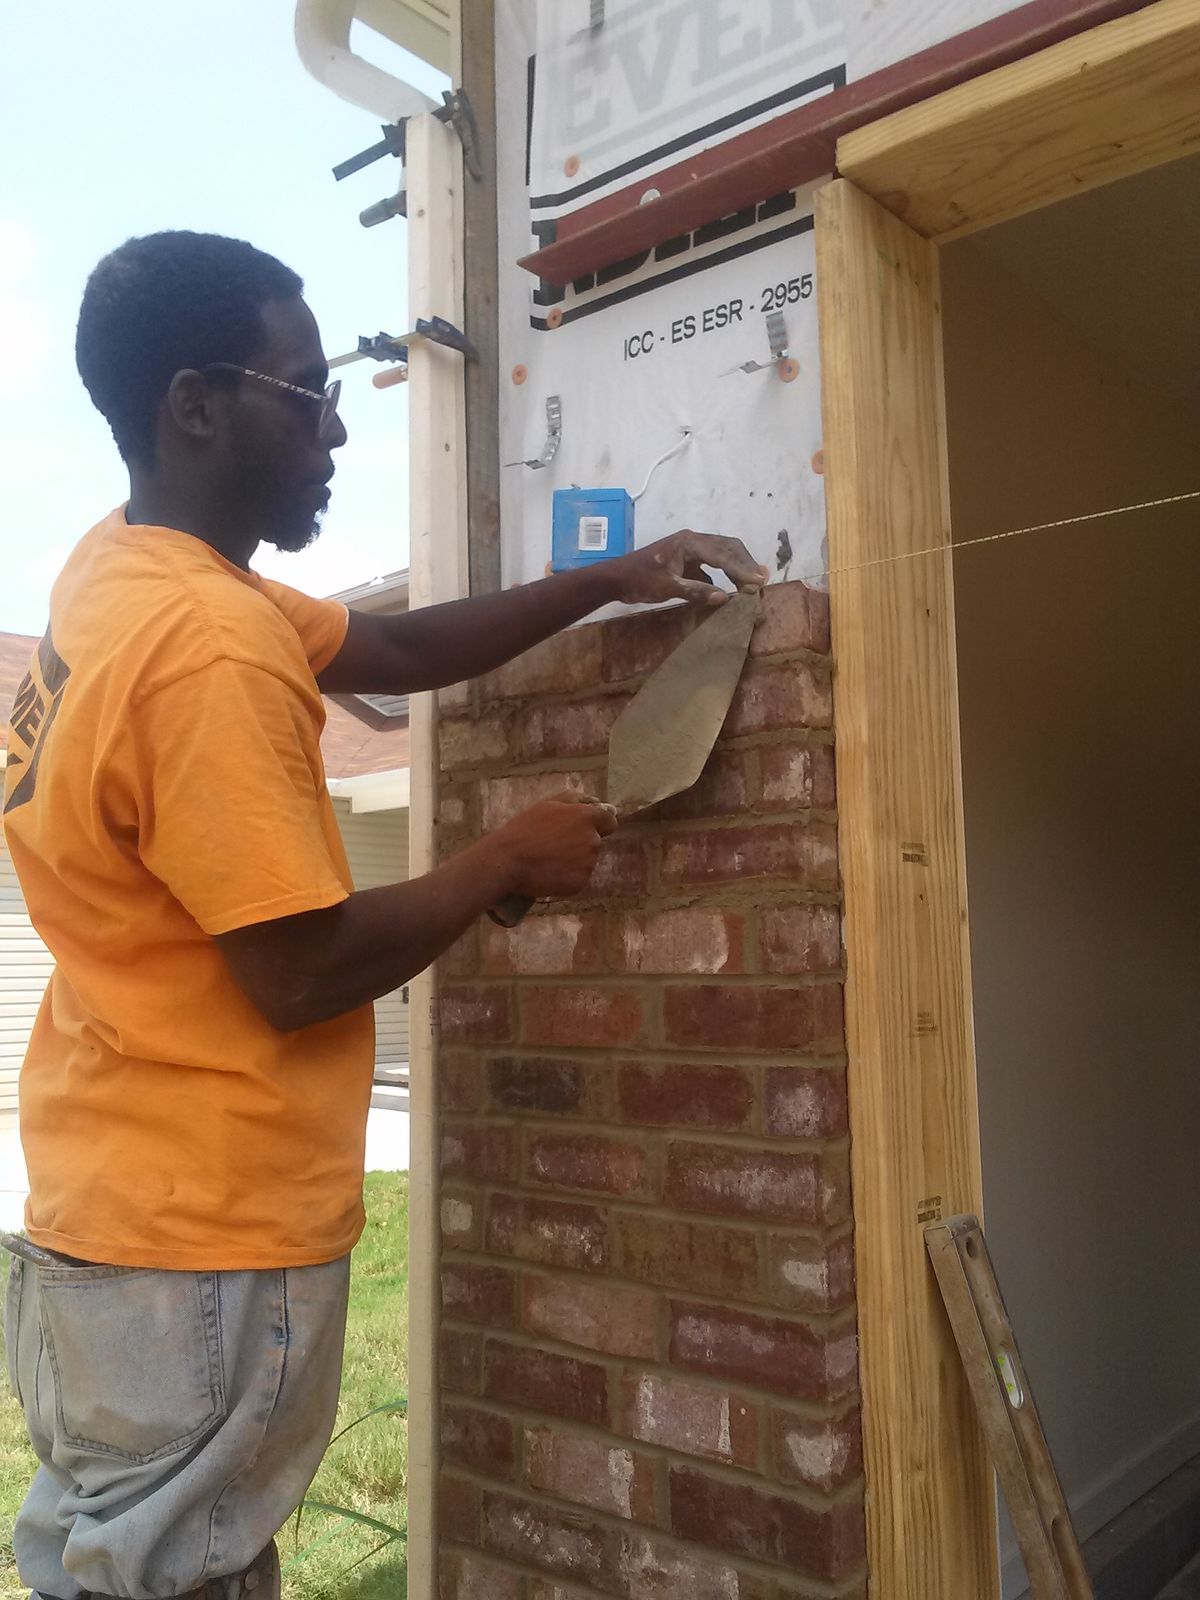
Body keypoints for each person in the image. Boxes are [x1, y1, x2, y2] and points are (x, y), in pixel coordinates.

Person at [0, 230, 766, 1600]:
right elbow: (296, 973)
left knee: (110, 1562)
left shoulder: (124, 572)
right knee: (174, 1578)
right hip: (202, 1240)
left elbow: (397, 649)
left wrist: (607, 576)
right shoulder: (204, 648)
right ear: (195, 406)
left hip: (107, 1214)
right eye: (305, 395)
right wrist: (500, 858)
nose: (337, 430)